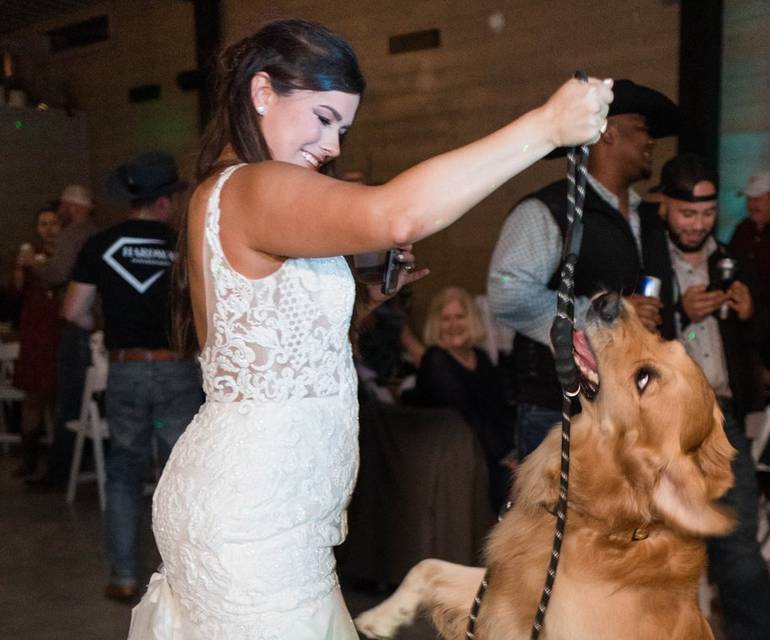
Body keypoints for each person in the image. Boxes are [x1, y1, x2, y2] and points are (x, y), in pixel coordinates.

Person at [126, 18, 610, 639]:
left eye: (343, 128)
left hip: (260, 511)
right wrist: (544, 127)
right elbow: (398, 214)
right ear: (263, 91)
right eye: (323, 117)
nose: (331, 144)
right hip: (254, 520)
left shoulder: (228, 191)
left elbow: (266, 347)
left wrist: (364, 302)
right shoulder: (253, 185)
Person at [487, 79, 679, 460]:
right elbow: (507, 293)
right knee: (562, 521)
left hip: (636, 411)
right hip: (559, 410)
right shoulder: (550, 211)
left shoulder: (650, 220)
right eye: (641, 128)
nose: (651, 140)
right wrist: (601, 317)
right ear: (607, 133)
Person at [62, 152, 204, 603]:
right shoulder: (186, 246)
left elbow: (72, 311)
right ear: (165, 202)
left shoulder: (100, 244)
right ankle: (184, 581)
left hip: (124, 370)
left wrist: (107, 327)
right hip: (177, 368)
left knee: (123, 470)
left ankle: (124, 575)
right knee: (179, 474)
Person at [659, 152, 770, 638]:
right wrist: (678, 313)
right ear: (664, 206)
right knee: (661, 549)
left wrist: (752, 313)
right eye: (687, 213)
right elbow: (630, 337)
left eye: (707, 214)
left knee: (737, 545)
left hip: (721, 418)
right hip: (663, 421)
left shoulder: (731, 258)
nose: (697, 224)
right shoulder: (647, 258)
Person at [409, 286, 514, 510]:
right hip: (449, 458)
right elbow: (466, 414)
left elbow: (500, 411)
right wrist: (504, 455)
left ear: (473, 319)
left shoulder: (482, 359)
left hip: (484, 449)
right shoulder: (436, 359)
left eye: (460, 316)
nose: (454, 325)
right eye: (446, 319)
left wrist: (514, 452)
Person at [27, 184, 98, 490]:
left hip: (76, 323)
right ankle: (88, 461)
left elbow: (58, 274)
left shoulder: (72, 235)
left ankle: (61, 470)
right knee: (89, 397)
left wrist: (38, 265)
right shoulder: (96, 232)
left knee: (68, 400)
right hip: (96, 324)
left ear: (71, 207)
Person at [10, 207, 62, 477]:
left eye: (53, 223)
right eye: (43, 224)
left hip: (59, 334)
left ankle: (58, 460)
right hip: (35, 335)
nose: (48, 229)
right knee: (32, 398)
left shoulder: (65, 258)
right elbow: (16, 292)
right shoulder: (29, 258)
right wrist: (21, 266)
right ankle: (27, 457)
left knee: (59, 397)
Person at [729, 170, 770, 372]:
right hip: (742, 323)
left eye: (759, 198)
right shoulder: (743, 229)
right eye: (750, 198)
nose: (752, 204)